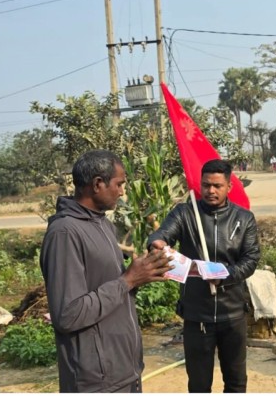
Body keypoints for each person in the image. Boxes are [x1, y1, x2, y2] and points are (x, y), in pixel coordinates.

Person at [40, 149, 173, 393]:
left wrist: (141, 276)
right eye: (119, 184)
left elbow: (111, 286)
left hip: (124, 370)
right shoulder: (65, 233)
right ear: (98, 184)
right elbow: (68, 315)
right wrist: (128, 280)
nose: (122, 192)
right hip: (96, 380)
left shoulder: (103, 224)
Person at [148, 159, 260, 393]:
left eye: (217, 186)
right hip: (197, 314)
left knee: (236, 381)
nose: (211, 191)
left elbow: (250, 261)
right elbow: (162, 234)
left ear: (229, 186)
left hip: (233, 314)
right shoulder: (185, 213)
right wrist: (156, 243)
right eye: (206, 185)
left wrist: (224, 276)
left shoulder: (244, 218)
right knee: (199, 384)